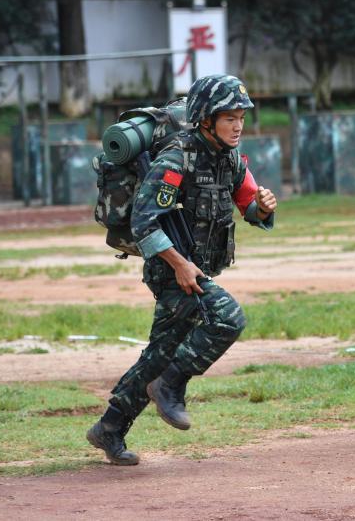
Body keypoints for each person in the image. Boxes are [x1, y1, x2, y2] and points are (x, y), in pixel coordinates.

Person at [87, 74, 277, 465]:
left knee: (159, 354)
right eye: (229, 118)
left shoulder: (228, 157)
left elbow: (249, 207)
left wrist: (264, 207)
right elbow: (144, 220)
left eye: (241, 117)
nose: (238, 125)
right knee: (227, 318)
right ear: (206, 119)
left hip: (197, 269)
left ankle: (109, 427)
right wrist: (179, 264)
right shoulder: (178, 157)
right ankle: (171, 388)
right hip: (172, 270)